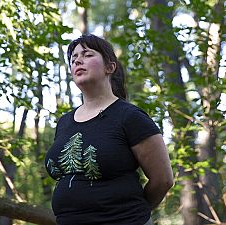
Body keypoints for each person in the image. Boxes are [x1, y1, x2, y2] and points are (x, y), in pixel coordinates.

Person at [44, 34, 174, 225]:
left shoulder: (130, 117)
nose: (78, 60)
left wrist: (130, 214)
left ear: (109, 67)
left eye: (87, 55)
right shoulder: (64, 122)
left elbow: (163, 179)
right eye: (74, 58)